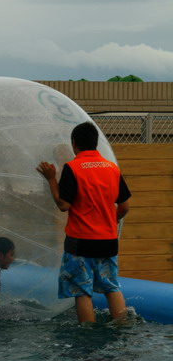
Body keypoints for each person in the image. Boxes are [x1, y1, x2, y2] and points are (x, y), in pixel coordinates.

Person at [36, 121, 131, 324]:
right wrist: (106, 222)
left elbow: (63, 205)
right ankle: (123, 328)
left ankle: (87, 335)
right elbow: (124, 207)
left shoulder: (73, 168)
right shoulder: (111, 168)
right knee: (111, 287)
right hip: (108, 240)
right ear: (96, 143)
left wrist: (51, 179)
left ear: (74, 143)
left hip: (80, 243)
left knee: (82, 291)